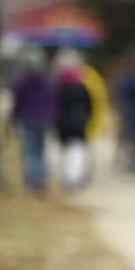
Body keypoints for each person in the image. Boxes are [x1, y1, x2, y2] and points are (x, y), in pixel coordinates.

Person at [10, 47, 55, 193]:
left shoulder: (22, 81)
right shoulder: (47, 81)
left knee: (30, 150)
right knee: (39, 150)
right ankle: (39, 178)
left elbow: (17, 101)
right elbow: (52, 101)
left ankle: (32, 181)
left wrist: (13, 118)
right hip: (42, 118)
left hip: (28, 118)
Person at [55, 53, 94, 193]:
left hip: (65, 125)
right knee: (76, 153)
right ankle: (73, 180)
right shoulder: (81, 88)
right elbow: (89, 107)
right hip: (78, 125)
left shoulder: (60, 88)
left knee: (68, 153)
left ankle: (69, 179)